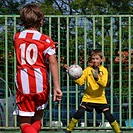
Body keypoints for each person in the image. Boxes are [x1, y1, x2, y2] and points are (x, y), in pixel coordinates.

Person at [13, 3, 62, 133]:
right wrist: (56, 87)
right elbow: (52, 62)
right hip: (41, 84)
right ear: (41, 21)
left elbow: (28, 47)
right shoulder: (46, 40)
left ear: (23, 21)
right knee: (37, 119)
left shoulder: (17, 37)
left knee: (24, 122)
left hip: (23, 85)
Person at [65, 49, 122, 133]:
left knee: (109, 116)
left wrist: (97, 78)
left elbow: (104, 84)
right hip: (88, 98)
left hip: (100, 98)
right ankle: (68, 129)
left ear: (101, 59)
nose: (95, 61)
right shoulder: (87, 70)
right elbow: (80, 82)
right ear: (91, 59)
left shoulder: (104, 70)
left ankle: (119, 132)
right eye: (93, 59)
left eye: (97, 59)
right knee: (79, 112)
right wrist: (74, 77)